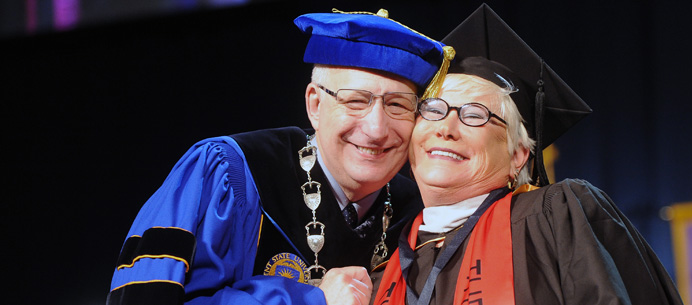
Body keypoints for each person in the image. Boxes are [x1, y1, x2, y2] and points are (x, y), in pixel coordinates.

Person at [106, 8, 455, 305]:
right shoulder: (231, 173)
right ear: (315, 105)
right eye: (355, 101)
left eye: (397, 105)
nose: (377, 129)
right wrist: (310, 299)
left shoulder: (419, 216)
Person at [372, 4, 683, 305]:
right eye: (434, 110)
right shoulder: (386, 274)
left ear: (518, 155)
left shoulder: (554, 217)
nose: (447, 128)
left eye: (474, 114)